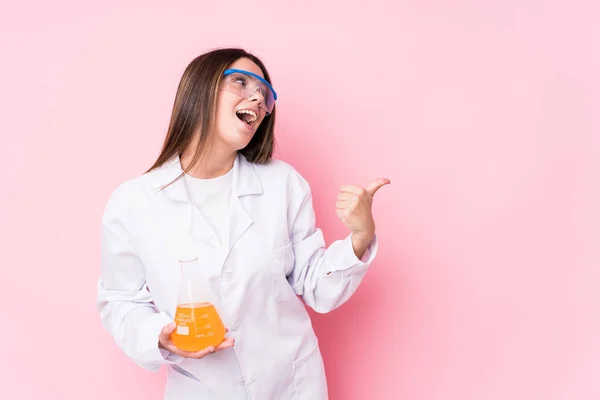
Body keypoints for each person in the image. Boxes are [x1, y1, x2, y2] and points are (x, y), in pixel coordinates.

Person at [96, 47, 389, 400]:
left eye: (265, 95)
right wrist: (160, 334)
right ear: (199, 89)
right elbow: (118, 300)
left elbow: (316, 285)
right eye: (241, 82)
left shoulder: (283, 184)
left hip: (292, 386)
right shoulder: (134, 203)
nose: (257, 98)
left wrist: (361, 234)